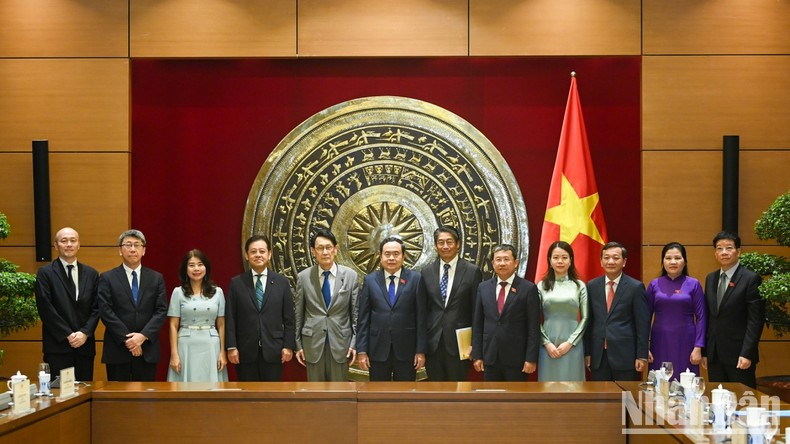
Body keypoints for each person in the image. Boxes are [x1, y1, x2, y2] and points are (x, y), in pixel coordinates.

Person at [98, 229, 167, 381]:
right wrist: (129, 340)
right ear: (120, 250)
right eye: (128, 245)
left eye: (137, 245)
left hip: (147, 349)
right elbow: (106, 311)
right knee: (118, 399)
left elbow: (161, 311)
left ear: (144, 250)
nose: (133, 249)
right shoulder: (107, 278)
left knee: (145, 400)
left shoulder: (156, 278)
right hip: (117, 349)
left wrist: (142, 336)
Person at [225, 234, 295, 381]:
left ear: (269, 254)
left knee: (271, 397)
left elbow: (289, 318)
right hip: (245, 352)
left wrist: (288, 345)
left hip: (274, 351)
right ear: (246, 255)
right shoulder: (237, 283)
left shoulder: (282, 282)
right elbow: (230, 318)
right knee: (248, 398)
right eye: (253, 251)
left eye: (262, 251)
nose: (258, 255)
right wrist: (231, 346)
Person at [34, 227, 100, 381]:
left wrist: (84, 333)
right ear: (56, 246)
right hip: (58, 346)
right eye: (64, 241)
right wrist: (68, 335)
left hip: (85, 346)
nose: (69, 244)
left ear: (79, 245)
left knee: (84, 395)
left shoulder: (91, 274)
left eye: (73, 240)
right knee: (60, 395)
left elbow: (97, 308)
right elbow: (45, 308)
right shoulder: (45, 273)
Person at [356, 236, 426, 381]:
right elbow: (363, 319)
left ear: (403, 256)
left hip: (406, 351)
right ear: (380, 256)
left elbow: (421, 318)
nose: (391, 258)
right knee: (379, 396)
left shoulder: (416, 279)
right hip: (377, 350)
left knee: (406, 396)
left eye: (396, 254)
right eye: (387, 254)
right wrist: (362, 351)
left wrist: (420, 350)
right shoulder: (370, 280)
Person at [294, 229, 359, 381]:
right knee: (316, 396)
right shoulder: (303, 277)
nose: (325, 252)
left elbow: (355, 313)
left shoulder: (350, 276)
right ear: (313, 251)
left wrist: (354, 343)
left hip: (341, 343)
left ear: (335, 249)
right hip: (312, 342)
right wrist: (298, 344)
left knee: (339, 395)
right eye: (320, 248)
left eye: (328, 247)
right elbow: (298, 313)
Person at [702, 231, 764, 388]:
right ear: (715, 253)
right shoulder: (710, 278)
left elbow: (755, 320)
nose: (724, 252)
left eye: (729, 248)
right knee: (717, 401)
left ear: (738, 251)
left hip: (739, 355)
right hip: (715, 354)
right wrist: (706, 352)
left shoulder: (751, 279)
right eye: (719, 248)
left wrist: (747, 353)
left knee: (743, 400)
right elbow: (709, 317)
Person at [421, 226, 482, 381]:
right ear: (435, 246)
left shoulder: (472, 271)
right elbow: (423, 311)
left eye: (449, 242)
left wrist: (475, 344)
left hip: (460, 344)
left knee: (458, 394)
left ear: (458, 244)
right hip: (433, 343)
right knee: (435, 394)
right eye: (441, 242)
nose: (445, 246)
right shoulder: (427, 272)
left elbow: (477, 311)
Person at [472, 244, 540, 381]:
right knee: (491, 399)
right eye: (498, 260)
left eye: (506, 259)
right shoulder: (483, 288)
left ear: (515, 263)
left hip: (517, 359)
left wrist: (531, 358)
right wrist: (477, 355)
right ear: (493, 263)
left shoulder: (528, 288)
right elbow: (478, 324)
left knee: (516, 400)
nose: (502, 263)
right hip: (490, 357)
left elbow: (533, 327)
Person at [584, 242, 649, 381]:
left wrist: (641, 355)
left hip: (626, 355)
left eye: (616, 257)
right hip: (598, 356)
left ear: (624, 261)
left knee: (626, 399)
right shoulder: (592, 286)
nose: (611, 261)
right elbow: (589, 322)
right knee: (600, 400)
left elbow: (642, 325)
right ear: (601, 261)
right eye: (606, 258)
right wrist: (587, 352)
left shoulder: (635, 287)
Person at [167, 249, 228, 382]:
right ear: (185, 269)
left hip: (211, 344)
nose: (196, 269)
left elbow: (221, 324)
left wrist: (222, 352)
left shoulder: (218, 292)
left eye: (200, 264)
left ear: (206, 267)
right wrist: (174, 354)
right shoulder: (178, 292)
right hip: (186, 344)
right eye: (191, 265)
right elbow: (173, 325)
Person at [646, 242, 705, 375]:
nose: (673, 262)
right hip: (659, 342)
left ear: (685, 261)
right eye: (668, 258)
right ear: (663, 261)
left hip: (686, 342)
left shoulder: (694, 284)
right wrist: (644, 346)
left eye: (677, 258)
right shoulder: (654, 285)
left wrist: (698, 347)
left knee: (686, 383)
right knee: (660, 384)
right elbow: (645, 318)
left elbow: (701, 317)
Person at [537, 241, 588, 381]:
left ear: (571, 260)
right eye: (556, 257)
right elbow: (534, 318)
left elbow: (585, 318)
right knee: (548, 387)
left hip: (573, 343)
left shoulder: (579, 286)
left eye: (564, 257)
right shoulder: (541, 286)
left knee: (574, 386)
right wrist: (547, 343)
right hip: (548, 344)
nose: (560, 261)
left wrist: (570, 342)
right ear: (549, 260)